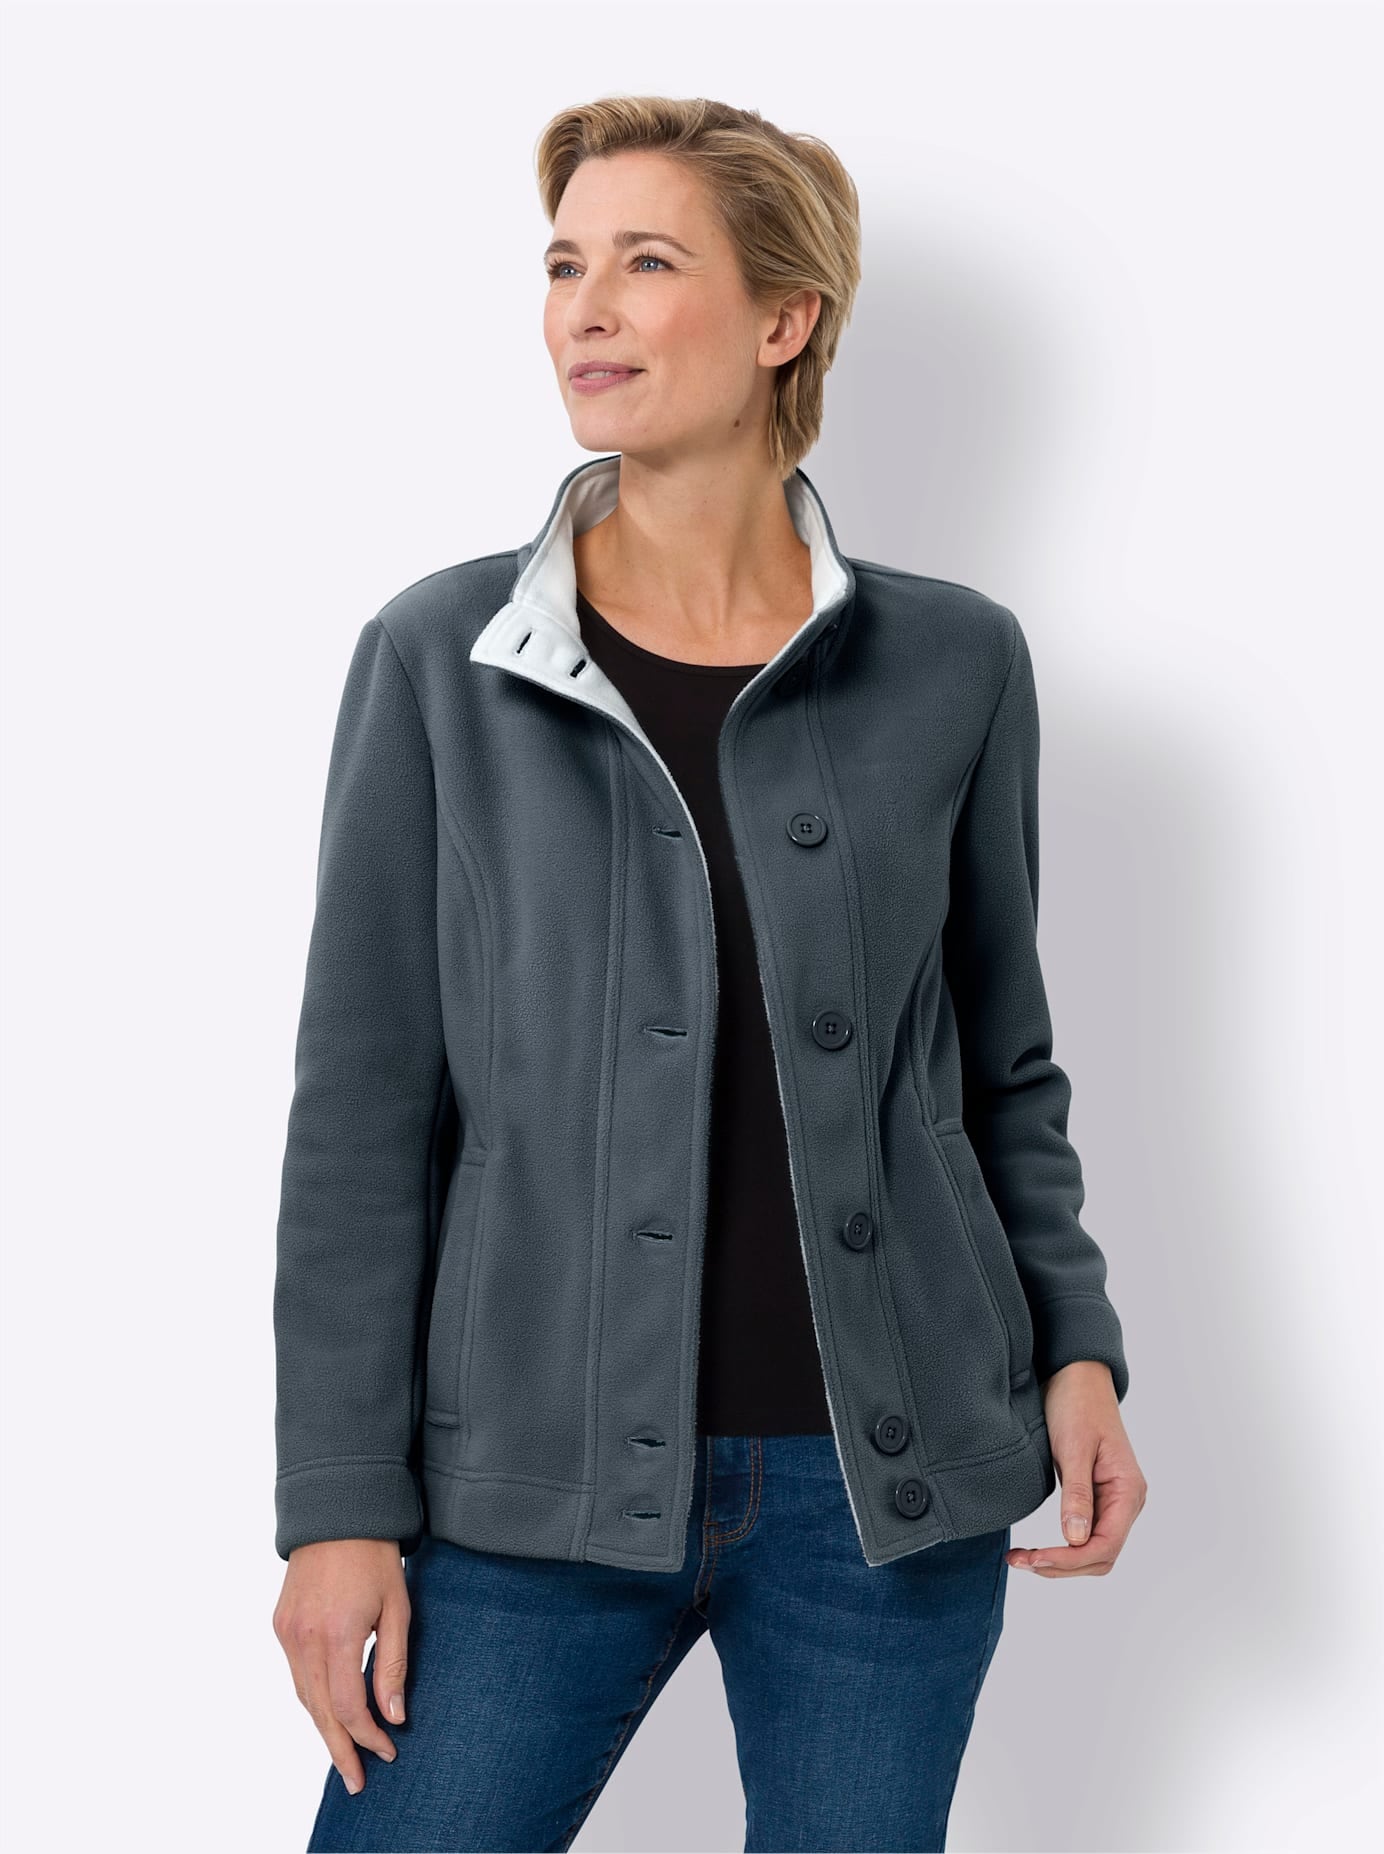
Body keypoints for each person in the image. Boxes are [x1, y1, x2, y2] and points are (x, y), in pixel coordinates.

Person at [271, 94, 1148, 1854]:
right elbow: (364, 1115)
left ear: (782, 320)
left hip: (886, 1496)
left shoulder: (956, 662)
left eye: (646, 262)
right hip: (527, 1492)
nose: (584, 308)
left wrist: (1079, 1349)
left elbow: (998, 1063)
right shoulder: (443, 657)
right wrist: (337, 1502)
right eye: (564, 265)